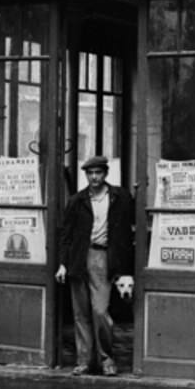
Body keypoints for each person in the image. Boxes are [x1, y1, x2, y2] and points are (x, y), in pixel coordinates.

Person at [55, 155, 134, 376]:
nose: (94, 177)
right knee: (81, 313)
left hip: (103, 257)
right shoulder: (77, 201)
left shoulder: (120, 197)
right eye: (90, 173)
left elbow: (128, 229)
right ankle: (84, 361)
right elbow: (66, 235)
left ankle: (107, 359)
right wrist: (62, 264)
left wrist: (124, 266)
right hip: (79, 258)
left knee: (100, 310)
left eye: (98, 172)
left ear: (105, 174)